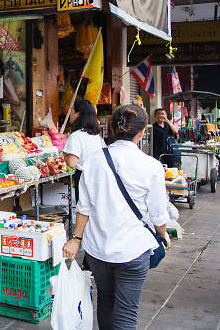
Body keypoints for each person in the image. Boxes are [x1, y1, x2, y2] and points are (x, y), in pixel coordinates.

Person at [63, 105, 171, 330]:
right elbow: (159, 213)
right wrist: (162, 235)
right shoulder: (151, 166)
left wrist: (75, 238)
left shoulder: (94, 160)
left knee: (105, 300)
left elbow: (84, 207)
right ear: (141, 133)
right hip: (133, 249)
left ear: (111, 128)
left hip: (98, 249)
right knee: (126, 313)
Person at [63, 99, 106, 170]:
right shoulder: (95, 135)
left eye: (72, 110)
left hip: (84, 177)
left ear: (77, 114)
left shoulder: (76, 136)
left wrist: (64, 154)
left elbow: (71, 163)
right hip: (96, 174)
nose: (69, 112)